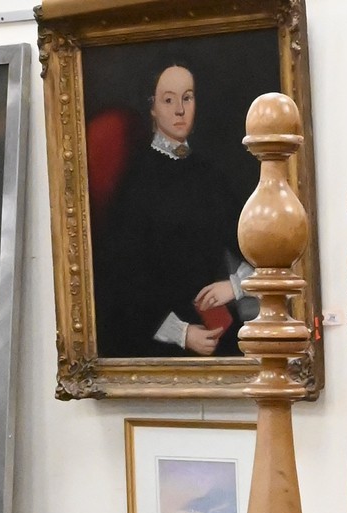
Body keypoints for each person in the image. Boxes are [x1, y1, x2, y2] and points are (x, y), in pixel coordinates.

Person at [93, 63, 250, 359]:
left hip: (220, 333)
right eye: (168, 100)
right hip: (156, 341)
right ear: (152, 108)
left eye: (187, 98)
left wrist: (234, 286)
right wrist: (182, 333)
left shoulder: (210, 176)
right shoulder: (137, 180)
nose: (180, 110)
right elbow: (122, 280)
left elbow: (255, 246)